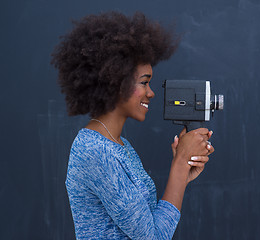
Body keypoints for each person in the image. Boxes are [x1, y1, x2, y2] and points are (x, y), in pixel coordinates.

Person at [51, 11, 214, 239]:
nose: (151, 92)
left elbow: (150, 227)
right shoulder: (96, 152)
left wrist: (184, 172)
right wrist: (178, 167)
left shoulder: (120, 145)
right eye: (144, 82)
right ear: (116, 82)